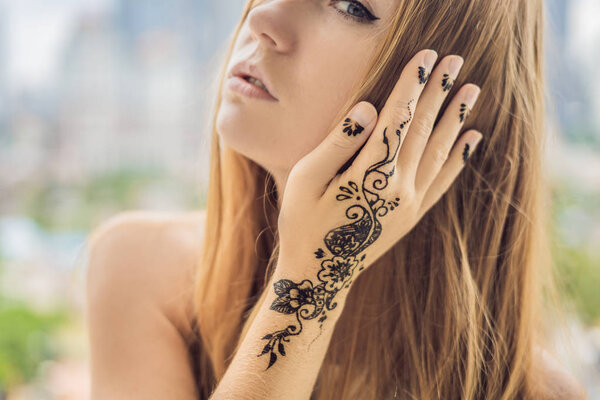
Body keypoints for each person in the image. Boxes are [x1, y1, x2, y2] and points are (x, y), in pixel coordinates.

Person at [85, 0, 587, 399]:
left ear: (451, 101)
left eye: (350, 5)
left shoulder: (528, 392)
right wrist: (318, 273)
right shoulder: (141, 271)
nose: (262, 17)